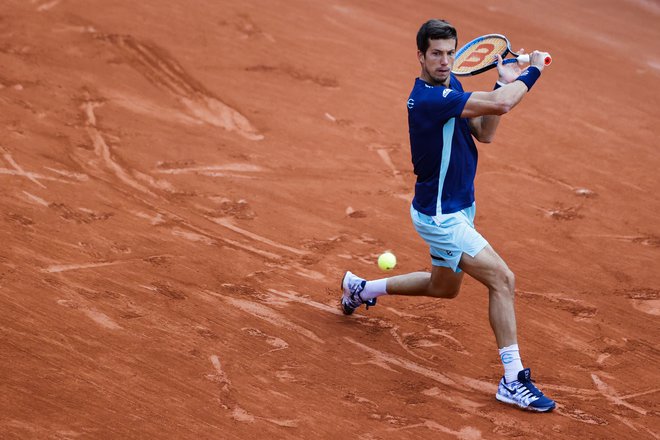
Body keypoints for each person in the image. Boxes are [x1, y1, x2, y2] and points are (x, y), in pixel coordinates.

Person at [340, 19, 556, 412]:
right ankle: (512, 379)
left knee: (444, 288)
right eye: (436, 54)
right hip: (442, 217)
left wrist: (498, 81)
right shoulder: (427, 99)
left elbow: (486, 131)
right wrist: (532, 70)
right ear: (420, 56)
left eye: (450, 52)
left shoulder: (451, 86)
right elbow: (505, 103)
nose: (445, 61)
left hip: (459, 207)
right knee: (503, 280)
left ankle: (362, 289)